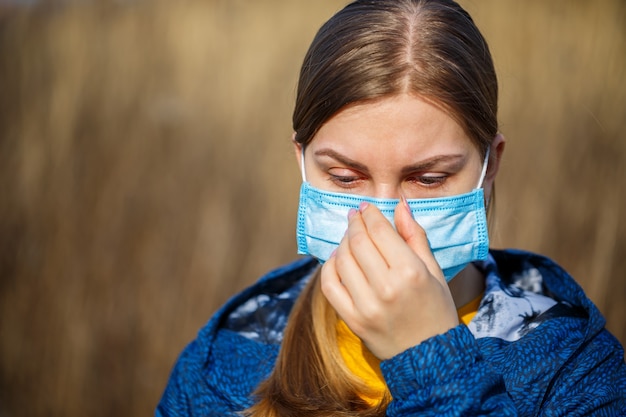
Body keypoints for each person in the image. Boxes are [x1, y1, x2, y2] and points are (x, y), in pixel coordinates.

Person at [156, 0, 626, 415]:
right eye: (344, 178)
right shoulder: (225, 359)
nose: (381, 218)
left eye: (428, 178)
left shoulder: (574, 368)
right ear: (301, 162)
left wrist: (430, 360)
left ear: (490, 164)